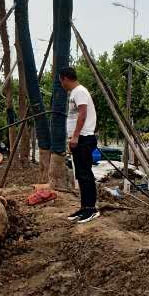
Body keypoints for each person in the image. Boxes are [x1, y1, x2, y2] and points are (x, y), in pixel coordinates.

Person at [58, 66, 100, 224]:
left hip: (83, 138)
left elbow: (83, 113)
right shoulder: (75, 92)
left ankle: (91, 209)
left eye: (61, 81)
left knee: (85, 174)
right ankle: (84, 207)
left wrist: (75, 136)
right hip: (79, 138)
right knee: (81, 175)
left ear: (65, 78)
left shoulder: (80, 91)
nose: (61, 84)